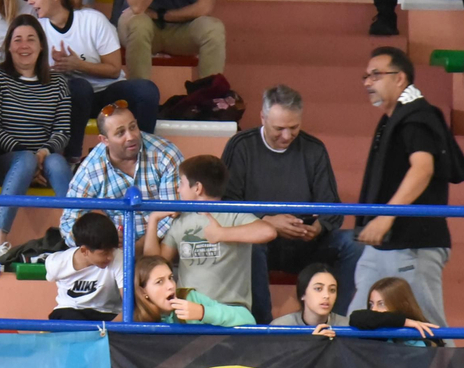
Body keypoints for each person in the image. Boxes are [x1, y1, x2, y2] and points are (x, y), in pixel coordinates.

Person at [349, 47, 464, 328]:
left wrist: (385, 217)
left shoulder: (419, 117)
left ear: (400, 78)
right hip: (383, 245)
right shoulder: (393, 118)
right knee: (355, 323)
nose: (368, 82)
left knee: (428, 324)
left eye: (376, 75)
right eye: (366, 76)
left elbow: (422, 169)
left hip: (414, 243)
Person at [221, 85, 361, 323]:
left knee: (353, 243)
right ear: (263, 118)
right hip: (260, 244)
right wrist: (266, 223)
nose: (286, 136)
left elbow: (333, 208)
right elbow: (226, 205)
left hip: (305, 244)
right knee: (252, 244)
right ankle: (262, 327)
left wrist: (319, 227)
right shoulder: (241, 146)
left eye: (294, 128)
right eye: (279, 128)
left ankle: (339, 323)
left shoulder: (313, 149)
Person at [28, 0, 160, 137]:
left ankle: (144, 151)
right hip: (70, 99)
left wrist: (78, 65)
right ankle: (73, 156)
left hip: (105, 95)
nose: (30, 0)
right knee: (80, 87)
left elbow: (113, 70)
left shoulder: (92, 20)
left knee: (147, 90)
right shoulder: (36, 29)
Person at [0, 15, 72, 259]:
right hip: (7, 161)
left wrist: (42, 154)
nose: (24, 46)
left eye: (31, 39)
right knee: (24, 160)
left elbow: (62, 130)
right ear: (9, 46)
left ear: (41, 45)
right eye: (18, 40)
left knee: (58, 161)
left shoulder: (58, 83)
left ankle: (76, 237)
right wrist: (30, 157)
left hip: (45, 162)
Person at [140, 155, 274, 312]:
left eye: (181, 183)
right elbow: (154, 264)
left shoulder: (234, 214)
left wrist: (221, 234)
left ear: (197, 188)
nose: (178, 189)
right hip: (187, 309)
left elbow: (268, 231)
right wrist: (154, 220)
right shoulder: (180, 220)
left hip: (229, 310)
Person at [59, 102, 182, 245]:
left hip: (164, 243)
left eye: (133, 127)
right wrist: (99, 239)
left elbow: (173, 213)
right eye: (120, 133)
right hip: (114, 250)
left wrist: (135, 251)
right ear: (104, 140)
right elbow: (68, 224)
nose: (130, 137)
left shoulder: (165, 154)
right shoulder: (91, 168)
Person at [43, 212, 123, 321]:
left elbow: (129, 304)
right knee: (70, 319)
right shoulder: (57, 263)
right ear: (84, 250)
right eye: (104, 253)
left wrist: (108, 330)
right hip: (70, 311)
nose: (110, 257)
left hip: (106, 314)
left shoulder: (117, 257)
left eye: (111, 251)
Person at [131, 256, 253, 326]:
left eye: (170, 278)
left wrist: (203, 312)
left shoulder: (189, 297)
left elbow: (248, 319)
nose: (170, 286)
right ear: (143, 292)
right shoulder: (132, 316)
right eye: (159, 282)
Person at [350, 277, 441, 345]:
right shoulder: (370, 332)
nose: (374, 310)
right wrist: (405, 321)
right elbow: (355, 317)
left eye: (381, 304)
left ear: (401, 304)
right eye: (371, 304)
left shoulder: (425, 337)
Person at [269, 264, 350, 331]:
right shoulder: (281, 326)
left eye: (332, 290)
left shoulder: (347, 326)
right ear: (303, 294)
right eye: (318, 289)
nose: (327, 296)